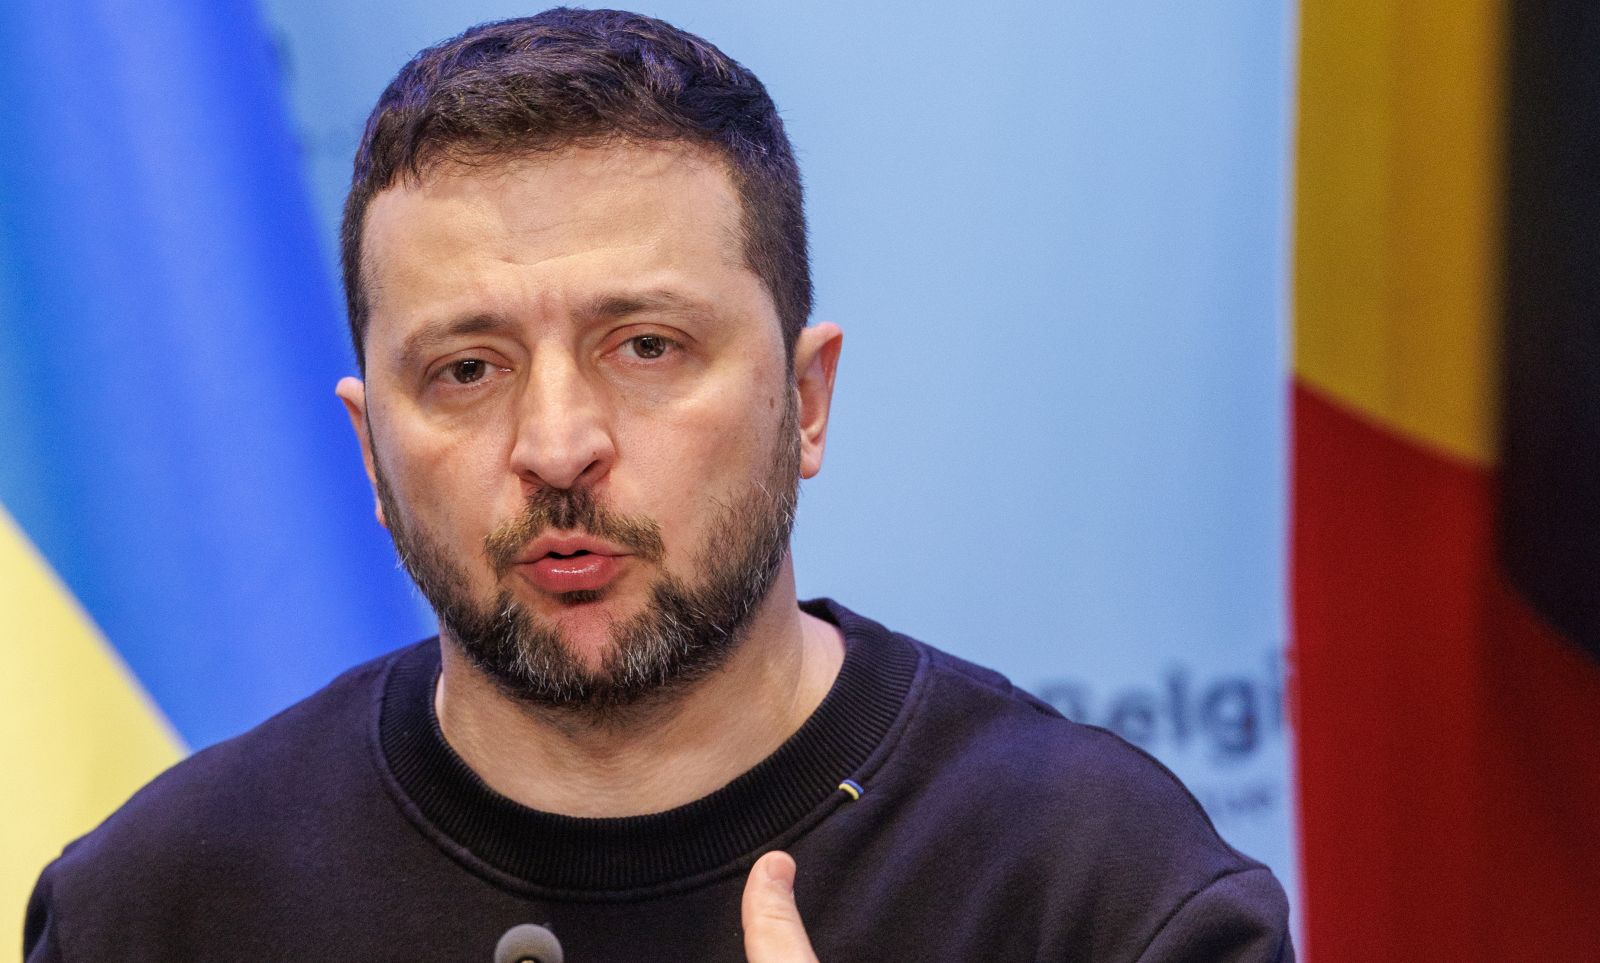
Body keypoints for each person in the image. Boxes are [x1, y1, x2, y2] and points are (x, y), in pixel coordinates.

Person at [24, 9, 1292, 961]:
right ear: (368, 449)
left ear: (805, 402)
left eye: (645, 347)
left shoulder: (1102, 896)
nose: (559, 442)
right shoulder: (155, 909)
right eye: (467, 369)